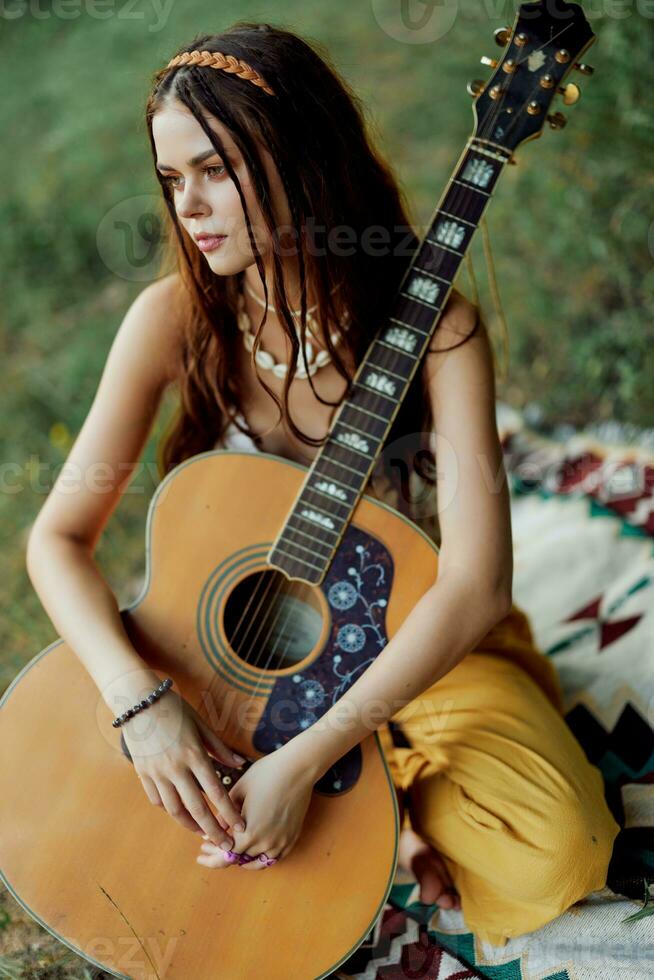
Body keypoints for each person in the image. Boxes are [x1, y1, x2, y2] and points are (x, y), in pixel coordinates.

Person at [25, 22, 620, 948]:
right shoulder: (173, 319)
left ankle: (382, 805)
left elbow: (473, 586)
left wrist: (308, 759)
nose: (190, 207)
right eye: (172, 181)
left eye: (215, 171)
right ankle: (376, 813)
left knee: (562, 854)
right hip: (223, 673)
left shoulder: (438, 331)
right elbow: (55, 539)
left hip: (415, 647)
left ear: (300, 155)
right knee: (88, 820)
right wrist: (141, 705)